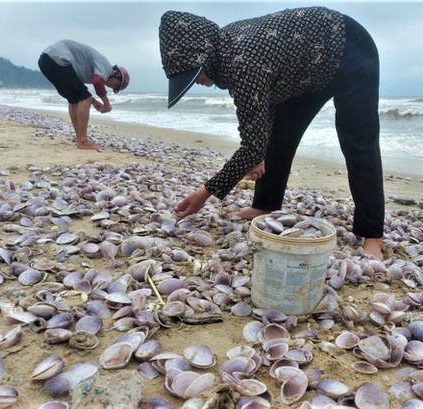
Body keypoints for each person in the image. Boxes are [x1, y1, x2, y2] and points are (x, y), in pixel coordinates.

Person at [159, 7, 384, 260]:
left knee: (358, 142)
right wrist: (256, 153)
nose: (194, 81)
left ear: (205, 55)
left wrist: (205, 193)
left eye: (193, 73)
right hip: (305, 71)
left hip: (350, 49)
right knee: (278, 136)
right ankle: (264, 204)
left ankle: (372, 234)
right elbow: (256, 122)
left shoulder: (241, 61)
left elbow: (251, 146)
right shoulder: (225, 49)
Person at [38, 40, 130, 150]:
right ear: (117, 74)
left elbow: (78, 88)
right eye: (116, 85)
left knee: (73, 99)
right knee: (83, 99)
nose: (112, 87)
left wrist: (94, 102)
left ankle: (79, 138)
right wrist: (107, 104)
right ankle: (82, 140)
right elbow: (97, 82)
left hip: (46, 61)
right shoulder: (107, 67)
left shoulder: (89, 69)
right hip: (57, 58)